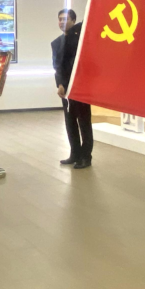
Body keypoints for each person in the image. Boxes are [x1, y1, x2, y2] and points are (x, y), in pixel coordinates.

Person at [53, 9, 93, 169]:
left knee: (84, 122)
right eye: (60, 19)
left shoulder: (82, 39)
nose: (62, 22)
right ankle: (74, 154)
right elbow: (57, 67)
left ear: (73, 21)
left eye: (65, 19)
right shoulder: (56, 43)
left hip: (82, 87)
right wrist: (60, 84)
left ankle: (86, 156)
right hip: (66, 90)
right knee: (70, 123)